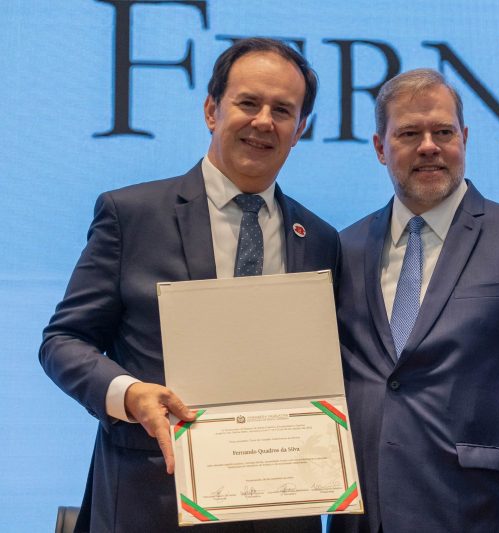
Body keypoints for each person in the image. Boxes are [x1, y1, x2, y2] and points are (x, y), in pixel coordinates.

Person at [40, 38, 338, 533]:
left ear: (299, 129)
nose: (264, 121)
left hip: (283, 509)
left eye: (282, 110)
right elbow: (63, 341)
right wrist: (128, 393)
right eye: (248, 102)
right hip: (149, 503)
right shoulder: (131, 215)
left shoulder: (322, 240)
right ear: (211, 110)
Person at [330, 69, 499, 533]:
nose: (429, 145)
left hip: (478, 516)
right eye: (409, 133)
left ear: (464, 138)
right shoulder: (343, 249)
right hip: (365, 518)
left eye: (443, 132)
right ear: (379, 147)